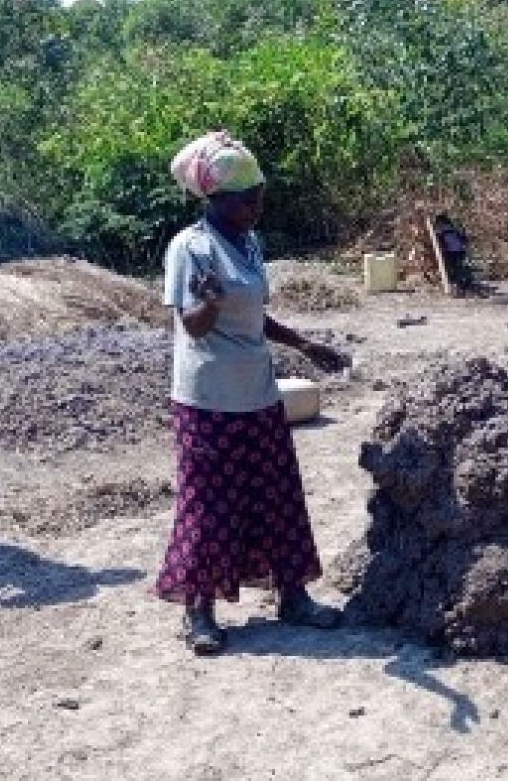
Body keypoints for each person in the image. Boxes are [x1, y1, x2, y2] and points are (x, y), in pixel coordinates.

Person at [157, 131, 347, 655]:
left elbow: (255, 318)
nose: (258, 206)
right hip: (207, 401)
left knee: (277, 495)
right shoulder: (190, 247)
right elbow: (192, 327)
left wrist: (306, 345)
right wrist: (209, 304)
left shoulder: (249, 242)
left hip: (258, 394)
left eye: (260, 194)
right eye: (248, 198)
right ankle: (199, 612)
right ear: (217, 199)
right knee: (209, 505)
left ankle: (294, 596)